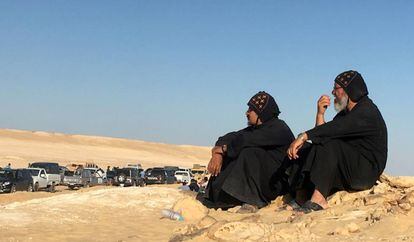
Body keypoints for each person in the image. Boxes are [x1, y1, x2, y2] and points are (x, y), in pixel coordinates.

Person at [287, 70, 387, 213]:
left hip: (365, 172)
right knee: (306, 148)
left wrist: (304, 136)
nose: (333, 93)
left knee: (329, 142)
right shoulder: (345, 114)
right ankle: (301, 197)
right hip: (348, 168)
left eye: (336, 88)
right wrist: (320, 114)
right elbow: (322, 136)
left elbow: (330, 132)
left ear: (349, 90)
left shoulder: (366, 111)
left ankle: (319, 199)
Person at [199, 91, 295, 213]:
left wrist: (223, 149)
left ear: (261, 112)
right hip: (260, 182)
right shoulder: (255, 129)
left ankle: (253, 202)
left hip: (274, 183)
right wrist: (217, 154)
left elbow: (245, 140)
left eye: (250, 110)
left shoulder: (279, 128)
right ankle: (217, 196)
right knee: (235, 150)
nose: (247, 113)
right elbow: (229, 137)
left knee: (250, 152)